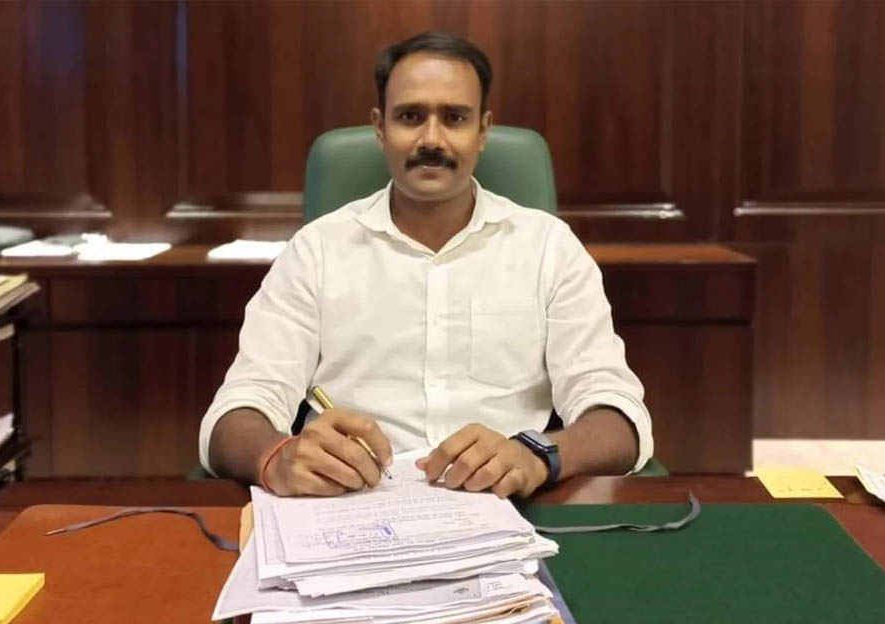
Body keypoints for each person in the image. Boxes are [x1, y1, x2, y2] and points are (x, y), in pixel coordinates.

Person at [199, 32, 653, 498]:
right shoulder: (316, 250)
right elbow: (237, 412)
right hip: (350, 505)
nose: (431, 139)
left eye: (454, 118)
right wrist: (276, 457)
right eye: (410, 117)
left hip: (507, 505)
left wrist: (538, 455)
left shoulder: (548, 248)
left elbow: (618, 417)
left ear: (483, 131)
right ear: (380, 128)